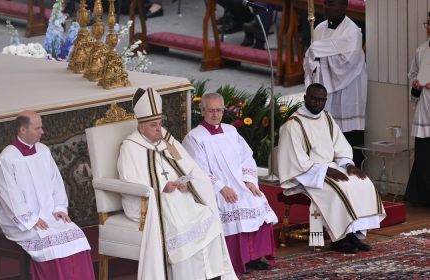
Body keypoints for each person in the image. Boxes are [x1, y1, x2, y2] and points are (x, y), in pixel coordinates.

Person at [117, 87, 237, 280]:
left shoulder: (165, 138)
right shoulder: (130, 147)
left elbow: (188, 166)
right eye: (153, 125)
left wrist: (186, 184)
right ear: (141, 126)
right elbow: (131, 182)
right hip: (155, 201)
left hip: (180, 196)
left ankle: (210, 275)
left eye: (160, 124)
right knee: (181, 225)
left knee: (208, 215)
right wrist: (162, 188)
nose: (159, 129)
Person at [278, 83, 386, 254]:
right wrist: (325, 171)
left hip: (330, 167)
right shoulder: (293, 124)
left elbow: (340, 145)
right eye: (313, 99)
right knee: (339, 188)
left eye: (321, 100)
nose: (317, 103)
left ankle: (353, 234)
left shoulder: (326, 118)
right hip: (306, 174)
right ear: (305, 98)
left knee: (362, 182)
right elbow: (296, 160)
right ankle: (339, 239)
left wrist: (348, 165)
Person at [0, 111, 95, 280]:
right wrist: (30, 219)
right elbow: (9, 197)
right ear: (23, 130)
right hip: (22, 222)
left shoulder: (43, 151)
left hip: (49, 215)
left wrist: (59, 207)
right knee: (52, 244)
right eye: (37, 128)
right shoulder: (6, 160)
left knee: (77, 237)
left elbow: (56, 183)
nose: (42, 132)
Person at [183, 92, 278, 275]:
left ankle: (255, 257)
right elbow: (197, 170)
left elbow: (246, 158)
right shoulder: (194, 138)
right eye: (211, 110)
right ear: (202, 110)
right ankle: (238, 260)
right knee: (232, 204)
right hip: (215, 190)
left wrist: (249, 181)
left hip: (239, 184)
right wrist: (221, 187)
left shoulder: (231, 131)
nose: (215, 114)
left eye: (219, 110)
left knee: (256, 199)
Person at [303, 0, 367, 167]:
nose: (327, 8)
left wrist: (319, 54)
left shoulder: (352, 31)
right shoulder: (319, 29)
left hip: (348, 90)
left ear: (344, 6)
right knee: (326, 134)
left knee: (348, 137)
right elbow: (312, 58)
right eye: (325, 4)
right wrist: (315, 59)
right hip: (325, 92)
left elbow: (346, 63)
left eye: (332, 4)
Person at [405, 11, 430, 207]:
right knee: (423, 153)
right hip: (425, 105)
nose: (428, 27)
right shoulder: (421, 50)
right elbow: (413, 72)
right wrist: (415, 83)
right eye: (427, 23)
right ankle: (421, 197)